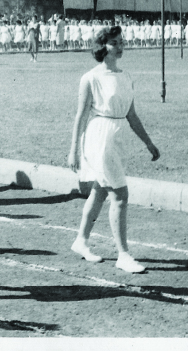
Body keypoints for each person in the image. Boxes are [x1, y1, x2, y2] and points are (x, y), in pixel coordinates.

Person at [68, 26, 161, 273]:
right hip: (100, 138)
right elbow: (80, 116)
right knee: (119, 195)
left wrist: (148, 143)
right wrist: (73, 150)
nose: (120, 47)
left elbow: (131, 115)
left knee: (99, 191)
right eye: (114, 43)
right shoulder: (90, 78)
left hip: (119, 137)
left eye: (121, 42)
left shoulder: (126, 76)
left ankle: (81, 241)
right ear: (102, 47)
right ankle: (123, 254)